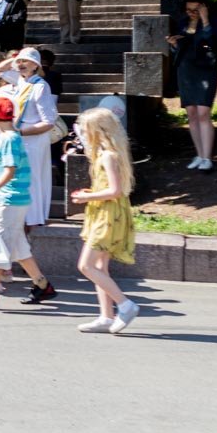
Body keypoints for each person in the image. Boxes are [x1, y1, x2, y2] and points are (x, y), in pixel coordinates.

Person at [0, 96, 57, 310]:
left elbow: (9, 170)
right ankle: (42, 284)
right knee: (18, 247)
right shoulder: (7, 137)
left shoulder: (8, 140)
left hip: (10, 198)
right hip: (13, 198)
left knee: (1, 245)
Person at [71, 108, 140, 333]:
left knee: (86, 265)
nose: (82, 134)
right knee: (100, 266)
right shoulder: (105, 153)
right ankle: (106, 316)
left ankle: (125, 305)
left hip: (108, 215)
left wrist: (87, 196)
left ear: (98, 131)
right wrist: (92, 193)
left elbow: (115, 190)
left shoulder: (108, 156)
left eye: (85, 129)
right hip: (105, 212)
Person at [0, 48, 57, 226]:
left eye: (26, 62)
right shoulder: (19, 81)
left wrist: (22, 132)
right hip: (20, 137)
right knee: (22, 176)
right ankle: (24, 215)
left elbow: (48, 122)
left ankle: (35, 216)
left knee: (34, 177)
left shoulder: (41, 86)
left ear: (36, 65)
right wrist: (15, 58)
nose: (21, 65)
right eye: (20, 62)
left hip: (34, 139)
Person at [168, 0, 217, 170]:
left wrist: (205, 21)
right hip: (186, 70)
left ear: (203, 7)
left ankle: (207, 157)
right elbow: (181, 49)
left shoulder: (214, 22)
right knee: (191, 113)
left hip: (206, 70)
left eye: (196, 9)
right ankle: (199, 154)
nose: (192, 13)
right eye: (189, 10)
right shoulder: (183, 23)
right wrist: (174, 46)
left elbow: (211, 44)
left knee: (204, 113)